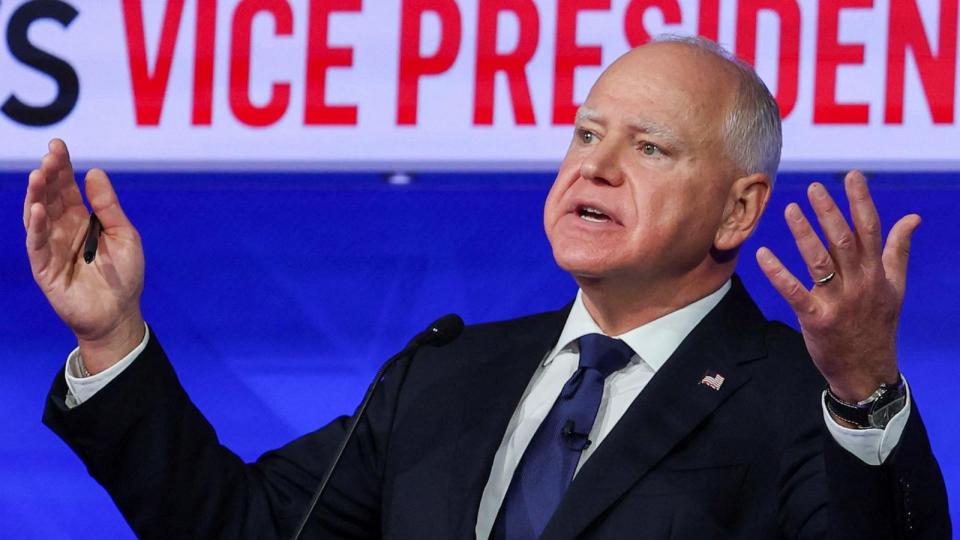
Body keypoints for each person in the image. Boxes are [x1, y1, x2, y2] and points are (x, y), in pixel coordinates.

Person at [25, 36, 949, 539]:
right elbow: (244, 528)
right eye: (587, 136)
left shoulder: (802, 401)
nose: (596, 169)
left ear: (739, 211)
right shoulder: (446, 373)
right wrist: (113, 343)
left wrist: (865, 396)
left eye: (650, 148)